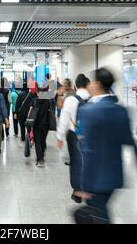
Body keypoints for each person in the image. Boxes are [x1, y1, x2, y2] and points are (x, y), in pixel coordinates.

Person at [76, 68, 137, 223]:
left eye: (92, 82)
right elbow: (133, 144)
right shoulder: (121, 111)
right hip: (114, 177)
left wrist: (83, 184)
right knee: (101, 213)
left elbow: (86, 150)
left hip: (95, 180)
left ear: (97, 84)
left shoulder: (86, 111)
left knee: (100, 217)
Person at [56, 74, 90, 203]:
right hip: (90, 135)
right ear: (87, 85)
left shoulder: (71, 99)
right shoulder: (92, 98)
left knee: (76, 162)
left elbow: (64, 119)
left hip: (74, 135)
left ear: (75, 86)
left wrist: (60, 136)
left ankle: (77, 192)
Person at [27, 81, 54, 168]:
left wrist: (29, 123)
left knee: (37, 141)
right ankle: (41, 156)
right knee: (42, 141)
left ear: (38, 92)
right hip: (46, 124)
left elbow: (30, 112)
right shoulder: (48, 102)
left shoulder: (34, 100)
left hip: (36, 124)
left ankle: (40, 159)